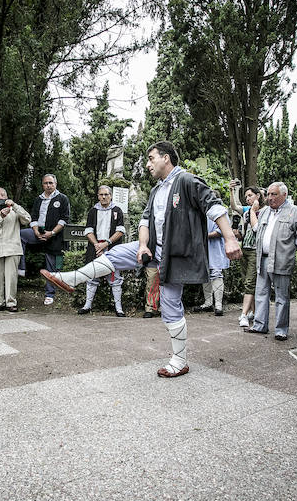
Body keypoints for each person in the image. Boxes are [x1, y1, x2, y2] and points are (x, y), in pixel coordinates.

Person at [41, 141, 242, 378]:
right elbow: (145, 221)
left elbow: (215, 207)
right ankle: (72, 279)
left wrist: (230, 239)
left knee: (170, 306)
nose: (147, 164)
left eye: (151, 158)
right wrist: (143, 245)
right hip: (152, 248)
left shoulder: (186, 181)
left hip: (175, 254)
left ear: (166, 158)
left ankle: (180, 360)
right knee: (114, 254)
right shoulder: (157, 190)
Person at [248, 182, 297, 341]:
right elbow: (257, 230)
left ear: (284, 195)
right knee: (261, 293)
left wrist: (291, 249)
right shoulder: (265, 211)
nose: (270, 198)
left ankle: (281, 330)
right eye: (269, 194)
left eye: (274, 194)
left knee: (281, 296)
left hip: (281, 260)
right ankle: (260, 325)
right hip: (263, 258)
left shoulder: (295, 212)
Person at [19, 174, 71, 305]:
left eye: (51, 183)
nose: (48, 185)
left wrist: (52, 233)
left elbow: (64, 219)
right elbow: (34, 217)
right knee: (20, 235)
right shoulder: (39, 199)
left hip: (54, 235)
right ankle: (21, 267)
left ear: (55, 184)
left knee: (51, 266)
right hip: (39, 231)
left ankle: (50, 294)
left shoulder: (62, 198)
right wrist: (36, 231)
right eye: (46, 183)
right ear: (42, 184)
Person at [78, 185, 127, 316]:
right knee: (92, 277)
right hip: (95, 248)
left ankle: (119, 308)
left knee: (115, 278)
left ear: (110, 196)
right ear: (98, 196)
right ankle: (87, 306)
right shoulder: (93, 211)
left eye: (106, 194)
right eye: (101, 194)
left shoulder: (117, 210)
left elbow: (120, 231)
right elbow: (88, 230)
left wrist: (106, 244)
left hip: (112, 249)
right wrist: (96, 245)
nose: (103, 197)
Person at [228, 182, 262, 328]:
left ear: (258, 196)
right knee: (247, 283)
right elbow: (235, 207)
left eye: (250, 195)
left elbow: (257, 230)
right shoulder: (247, 210)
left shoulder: (266, 211)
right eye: (246, 196)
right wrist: (231, 191)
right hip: (245, 249)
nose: (248, 198)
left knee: (249, 282)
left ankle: (244, 315)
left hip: (256, 250)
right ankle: (254, 312)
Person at [191, 218, 230, 316]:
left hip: (215, 247)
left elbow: (223, 230)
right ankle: (208, 303)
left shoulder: (220, 210)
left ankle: (218, 306)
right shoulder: (200, 209)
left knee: (216, 273)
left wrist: (204, 236)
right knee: (205, 273)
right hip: (202, 247)